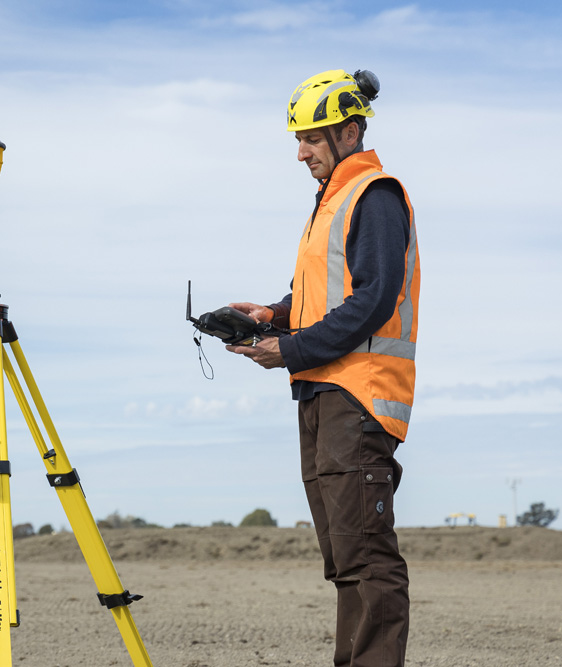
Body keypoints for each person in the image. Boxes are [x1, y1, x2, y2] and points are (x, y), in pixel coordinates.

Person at [227, 69, 419, 666]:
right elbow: (320, 300)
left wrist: (290, 349)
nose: (301, 151)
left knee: (367, 559)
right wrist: (273, 315)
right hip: (319, 394)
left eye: (311, 138)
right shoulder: (328, 206)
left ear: (350, 130)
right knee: (344, 560)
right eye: (297, 139)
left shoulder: (375, 195)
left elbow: (373, 300)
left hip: (357, 397)